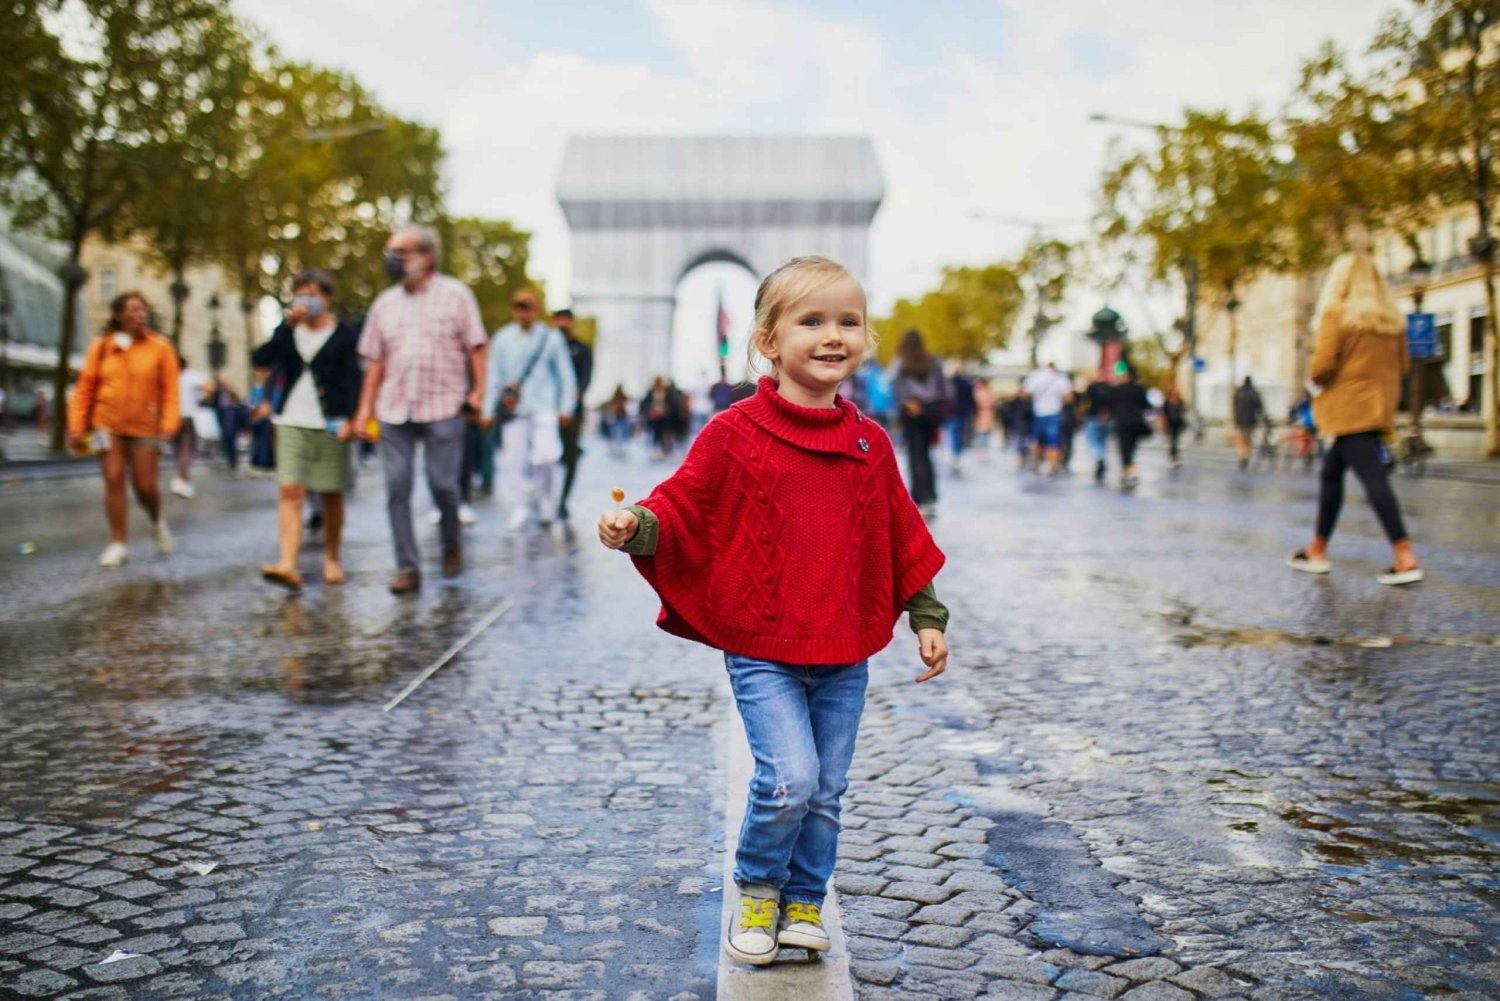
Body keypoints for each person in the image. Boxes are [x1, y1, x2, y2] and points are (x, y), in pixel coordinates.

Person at [596, 255, 949, 966]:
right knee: (789, 777)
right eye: (811, 320)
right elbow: (684, 506)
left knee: (826, 789)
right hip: (763, 645)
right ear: (767, 339)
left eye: (848, 321)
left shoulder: (868, 443)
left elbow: (900, 531)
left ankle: (804, 904)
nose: (832, 335)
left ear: (866, 338)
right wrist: (636, 525)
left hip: (845, 645)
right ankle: (758, 886)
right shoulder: (733, 432)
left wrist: (928, 617)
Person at [352, 225, 488, 594]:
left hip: (444, 404)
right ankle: (407, 567)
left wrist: (478, 392)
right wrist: (364, 409)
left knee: (444, 485)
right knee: (397, 487)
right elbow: (375, 361)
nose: (392, 259)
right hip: (395, 408)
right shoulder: (384, 303)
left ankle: (450, 543)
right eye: (390, 251)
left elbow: (476, 345)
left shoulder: (456, 296)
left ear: (426, 256)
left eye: (401, 251)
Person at [1288, 251, 1422, 585]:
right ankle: (1317, 549)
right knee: (1331, 474)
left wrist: (1315, 381)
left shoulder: (1338, 314)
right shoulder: (1391, 321)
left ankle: (1404, 556)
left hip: (1348, 409)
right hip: (1378, 407)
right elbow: (1404, 366)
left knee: (1373, 479)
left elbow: (1321, 366)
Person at [252, 269, 362, 591]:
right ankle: (288, 562)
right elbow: (261, 358)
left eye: (314, 294)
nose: (307, 300)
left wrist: (353, 419)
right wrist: (285, 327)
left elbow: (353, 379)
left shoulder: (344, 334)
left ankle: (332, 557)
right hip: (291, 420)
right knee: (290, 490)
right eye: (301, 293)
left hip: (330, 422)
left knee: (331, 493)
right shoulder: (289, 331)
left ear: (328, 297)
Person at [67, 292, 180, 567]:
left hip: (145, 426)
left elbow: (170, 391)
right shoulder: (102, 346)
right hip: (108, 423)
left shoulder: (160, 347)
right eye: (131, 310)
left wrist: (168, 423)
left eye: (142, 310)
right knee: (114, 478)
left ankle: (156, 520)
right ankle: (118, 543)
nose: (138, 315)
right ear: (118, 315)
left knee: (145, 485)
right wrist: (77, 425)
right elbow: (85, 387)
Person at [482, 289, 576, 531]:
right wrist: (487, 410)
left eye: (528, 306)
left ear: (536, 309)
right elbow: (494, 377)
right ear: (513, 309)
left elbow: (566, 375)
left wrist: (566, 407)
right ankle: (521, 504)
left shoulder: (551, 338)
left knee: (547, 456)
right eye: (518, 306)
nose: (523, 312)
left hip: (544, 406)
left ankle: (545, 499)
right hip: (514, 409)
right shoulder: (502, 339)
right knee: (514, 459)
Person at [890, 329, 947, 517]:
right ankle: (930, 496)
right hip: (930, 411)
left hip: (910, 411)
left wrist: (908, 403)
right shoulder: (933, 361)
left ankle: (919, 497)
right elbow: (942, 388)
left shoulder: (900, 363)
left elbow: (895, 385)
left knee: (915, 455)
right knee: (927, 453)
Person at [554, 307, 593, 520]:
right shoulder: (547, 347)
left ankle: (562, 501)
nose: (561, 324)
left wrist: (572, 398)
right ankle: (547, 498)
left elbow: (585, 379)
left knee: (570, 457)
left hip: (572, 411)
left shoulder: (582, 350)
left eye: (565, 320)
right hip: (548, 410)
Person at [1021, 361, 1072, 476]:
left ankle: (1036, 462)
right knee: (1053, 442)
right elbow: (1069, 398)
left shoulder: (1035, 376)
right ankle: (1051, 467)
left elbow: (1025, 394)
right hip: (1055, 413)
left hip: (1038, 413)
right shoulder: (1061, 379)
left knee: (1036, 440)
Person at [170, 356, 207, 498]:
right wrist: (201, 397)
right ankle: (180, 478)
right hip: (188, 416)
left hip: (173, 417)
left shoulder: (171, 377)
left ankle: (182, 478)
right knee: (188, 448)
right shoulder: (191, 377)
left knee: (177, 449)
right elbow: (208, 386)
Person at [1110, 367, 1153, 488]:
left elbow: (1110, 404)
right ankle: (1129, 470)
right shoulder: (1139, 389)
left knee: (1124, 448)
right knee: (1132, 447)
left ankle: (1130, 470)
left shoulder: (1117, 389)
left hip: (1123, 423)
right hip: (1136, 423)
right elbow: (1147, 406)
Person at [1233, 376, 1265, 471]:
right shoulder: (1254, 393)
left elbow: (1235, 407)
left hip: (1239, 421)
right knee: (1248, 440)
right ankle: (1246, 456)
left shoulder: (1238, 393)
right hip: (1251, 421)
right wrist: (1262, 418)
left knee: (1240, 440)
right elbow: (1260, 407)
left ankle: (1241, 455)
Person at [1161, 384, 1188, 469]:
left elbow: (1184, 410)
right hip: (1170, 424)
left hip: (1178, 424)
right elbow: (1163, 413)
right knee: (1172, 442)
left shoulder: (1180, 400)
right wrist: (1163, 423)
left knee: (1176, 441)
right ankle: (1173, 459)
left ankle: (1175, 459)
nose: (1175, 392)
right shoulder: (1167, 401)